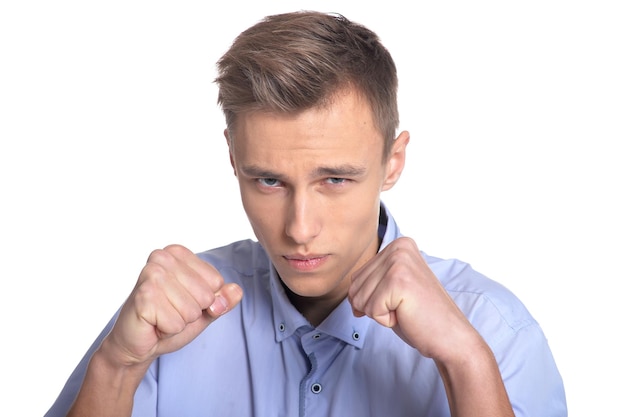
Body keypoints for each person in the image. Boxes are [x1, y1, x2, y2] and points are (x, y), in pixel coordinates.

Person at [45, 10, 566, 417]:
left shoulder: (496, 335)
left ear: (393, 162)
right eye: (268, 180)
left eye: (335, 180)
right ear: (233, 159)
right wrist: (118, 366)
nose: (299, 229)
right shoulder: (168, 313)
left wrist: (467, 366)